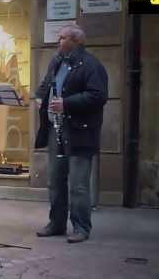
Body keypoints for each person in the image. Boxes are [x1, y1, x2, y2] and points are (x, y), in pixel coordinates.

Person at [34, 24, 108, 243]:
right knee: (55, 181)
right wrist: (41, 97)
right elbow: (48, 84)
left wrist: (66, 103)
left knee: (78, 185)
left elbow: (98, 96)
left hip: (80, 133)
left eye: (62, 38)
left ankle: (81, 227)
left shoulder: (92, 65)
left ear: (76, 42)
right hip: (56, 130)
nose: (58, 42)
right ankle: (56, 223)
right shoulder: (57, 61)